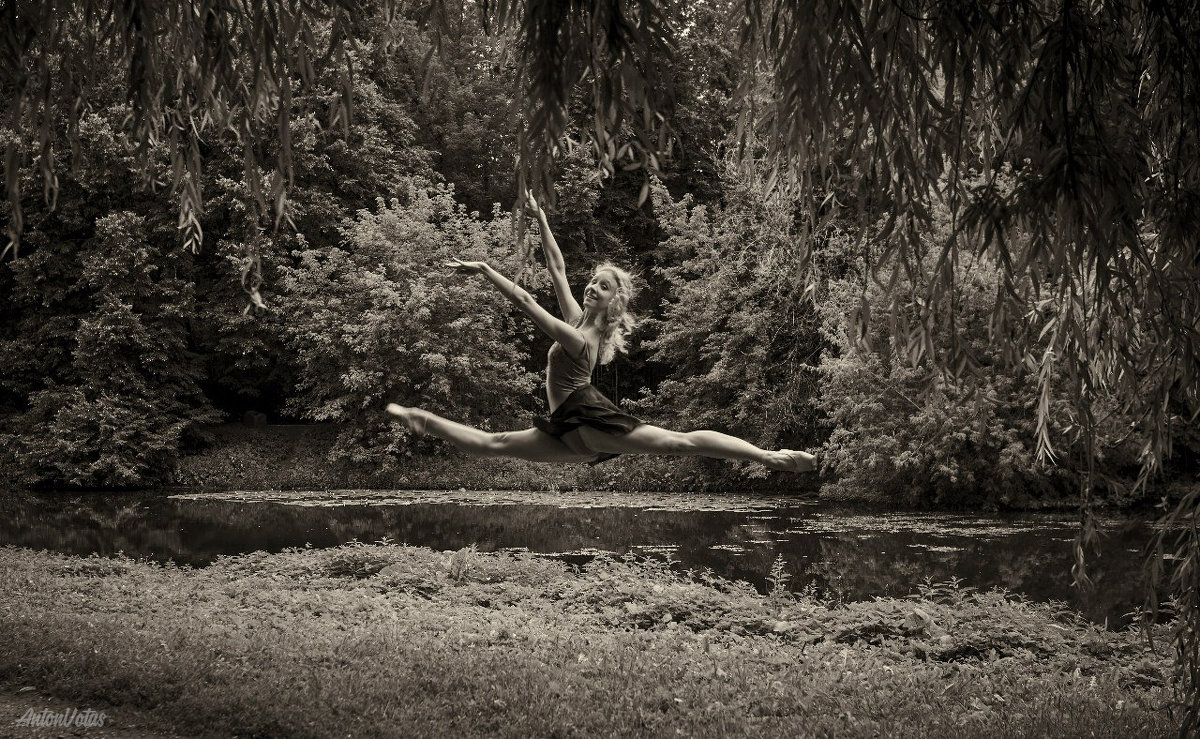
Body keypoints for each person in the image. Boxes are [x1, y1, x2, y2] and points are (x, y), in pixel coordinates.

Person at [385, 196, 817, 473]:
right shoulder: (576, 319)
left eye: (602, 285)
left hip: (588, 419)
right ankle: (420, 419)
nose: (591, 286)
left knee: (677, 443)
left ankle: (765, 456)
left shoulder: (581, 341)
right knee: (494, 444)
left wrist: (484, 270)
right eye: (592, 280)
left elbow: (528, 304)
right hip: (572, 435)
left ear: (614, 302)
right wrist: (542, 219)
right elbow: (556, 267)